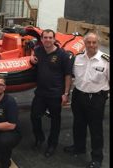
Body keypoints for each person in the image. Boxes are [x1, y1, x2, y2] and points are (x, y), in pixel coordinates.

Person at [63, 32, 109, 168]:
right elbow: (70, 77)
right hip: (78, 96)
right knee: (78, 124)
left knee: (96, 129)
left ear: (98, 44)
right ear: (84, 43)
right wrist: (67, 93)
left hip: (96, 98)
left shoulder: (105, 60)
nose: (91, 45)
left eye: (94, 42)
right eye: (88, 42)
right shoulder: (77, 59)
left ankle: (97, 158)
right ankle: (79, 147)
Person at [29, 29, 72, 157]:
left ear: (54, 39)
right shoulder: (39, 51)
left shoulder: (63, 55)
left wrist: (66, 93)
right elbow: (33, 50)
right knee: (34, 116)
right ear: (41, 39)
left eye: (50, 37)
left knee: (55, 120)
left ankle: (52, 144)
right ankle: (39, 138)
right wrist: (31, 56)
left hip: (55, 94)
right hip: (41, 93)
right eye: (45, 37)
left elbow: (68, 75)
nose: (47, 40)